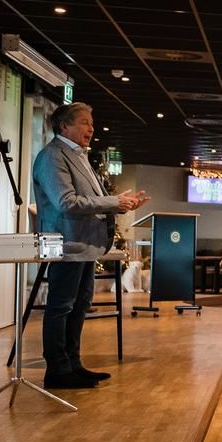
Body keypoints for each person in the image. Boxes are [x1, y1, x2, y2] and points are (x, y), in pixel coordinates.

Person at [32, 102, 146, 389]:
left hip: (85, 245)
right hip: (66, 243)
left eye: (91, 123)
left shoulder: (79, 156)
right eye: (84, 122)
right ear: (64, 126)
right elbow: (66, 202)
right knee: (61, 307)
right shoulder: (52, 156)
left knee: (80, 305)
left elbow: (91, 199)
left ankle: (73, 364)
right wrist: (113, 201)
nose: (91, 128)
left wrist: (121, 204)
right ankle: (57, 370)